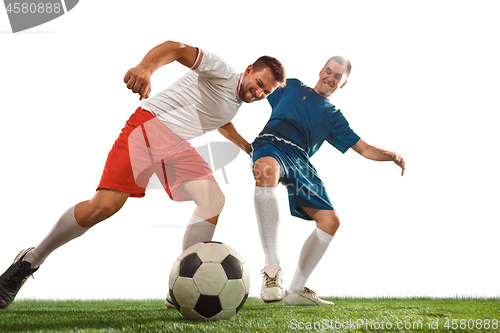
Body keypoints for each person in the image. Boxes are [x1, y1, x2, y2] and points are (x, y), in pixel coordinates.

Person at [0, 40, 286, 309]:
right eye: (259, 84)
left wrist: (246, 146)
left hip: (175, 145)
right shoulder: (221, 70)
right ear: (249, 70)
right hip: (148, 129)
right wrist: (146, 68)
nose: (259, 93)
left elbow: (222, 121)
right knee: (102, 208)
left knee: (213, 200)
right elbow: (175, 49)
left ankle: (180, 288)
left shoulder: (235, 101)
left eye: (266, 93)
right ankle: (30, 259)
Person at [250, 56, 405, 305]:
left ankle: (296, 291)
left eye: (337, 77)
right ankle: (272, 270)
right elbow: (257, 88)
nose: (330, 78)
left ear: (342, 84)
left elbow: (364, 149)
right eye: (329, 71)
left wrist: (391, 155)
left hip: (300, 159)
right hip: (272, 144)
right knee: (266, 170)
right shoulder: (291, 86)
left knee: (330, 221)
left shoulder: (333, 116)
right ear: (321, 70)